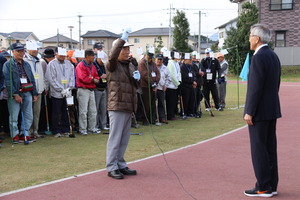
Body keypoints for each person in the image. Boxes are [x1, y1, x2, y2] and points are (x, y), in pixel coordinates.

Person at [243, 24, 281, 198]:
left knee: (259, 149)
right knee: (269, 148)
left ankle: (263, 186)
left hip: (259, 111)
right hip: (271, 108)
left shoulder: (258, 57)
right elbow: (275, 85)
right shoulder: (273, 56)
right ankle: (271, 184)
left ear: (257, 39)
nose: (249, 39)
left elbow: (255, 88)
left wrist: (249, 111)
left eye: (250, 36)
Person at [105, 29, 139, 179]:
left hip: (128, 105)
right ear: (117, 49)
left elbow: (134, 86)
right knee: (115, 137)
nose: (127, 51)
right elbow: (112, 56)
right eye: (124, 48)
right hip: (117, 104)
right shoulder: (112, 64)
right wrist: (121, 40)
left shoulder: (129, 65)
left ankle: (120, 164)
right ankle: (112, 166)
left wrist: (136, 78)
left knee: (124, 138)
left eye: (128, 49)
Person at [3, 42, 38, 143]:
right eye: (18, 51)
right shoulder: (8, 64)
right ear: (13, 52)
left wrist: (34, 93)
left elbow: (31, 78)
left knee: (28, 114)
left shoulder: (26, 64)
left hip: (27, 91)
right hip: (15, 93)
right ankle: (15, 135)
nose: (21, 53)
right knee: (14, 115)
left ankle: (25, 133)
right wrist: (15, 94)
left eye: (22, 51)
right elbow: (8, 81)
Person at [45, 47, 75, 137]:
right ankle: (56, 130)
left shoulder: (69, 63)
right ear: (56, 54)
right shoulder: (52, 64)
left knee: (66, 111)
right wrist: (60, 89)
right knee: (56, 112)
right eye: (60, 54)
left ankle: (65, 129)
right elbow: (51, 79)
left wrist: (69, 88)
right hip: (57, 93)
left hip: (67, 92)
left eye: (64, 54)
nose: (62, 56)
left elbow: (72, 77)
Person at [76, 49, 101, 135]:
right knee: (83, 111)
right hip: (83, 89)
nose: (94, 57)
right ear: (87, 56)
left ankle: (92, 127)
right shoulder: (80, 65)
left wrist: (94, 79)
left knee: (93, 110)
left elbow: (96, 76)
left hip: (91, 90)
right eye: (92, 56)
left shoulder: (92, 66)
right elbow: (82, 78)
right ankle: (83, 129)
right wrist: (93, 79)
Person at [24, 46, 45, 138]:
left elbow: (41, 75)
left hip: (39, 90)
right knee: (28, 113)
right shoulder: (24, 60)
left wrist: (43, 87)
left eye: (37, 49)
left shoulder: (39, 61)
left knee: (37, 112)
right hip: (29, 90)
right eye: (33, 49)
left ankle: (35, 130)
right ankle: (27, 131)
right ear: (28, 49)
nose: (36, 51)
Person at [138, 52, 160, 125]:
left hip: (153, 86)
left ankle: (152, 119)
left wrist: (156, 82)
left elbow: (158, 73)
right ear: (145, 56)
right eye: (149, 57)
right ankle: (145, 120)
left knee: (153, 104)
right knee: (146, 104)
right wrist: (152, 83)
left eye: (151, 57)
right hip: (145, 86)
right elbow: (144, 75)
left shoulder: (153, 64)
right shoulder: (142, 63)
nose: (150, 59)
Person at [93, 43, 109, 131]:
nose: (102, 62)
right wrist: (99, 77)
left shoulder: (103, 65)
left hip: (104, 88)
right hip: (97, 88)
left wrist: (106, 75)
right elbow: (93, 76)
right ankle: (95, 125)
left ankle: (103, 124)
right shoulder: (94, 65)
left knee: (103, 108)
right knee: (96, 108)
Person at [166, 50, 181, 120]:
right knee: (170, 102)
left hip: (176, 85)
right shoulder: (170, 63)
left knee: (174, 101)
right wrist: (177, 83)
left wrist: (179, 82)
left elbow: (179, 73)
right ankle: (170, 115)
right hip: (171, 86)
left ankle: (173, 114)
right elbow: (171, 75)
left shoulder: (177, 63)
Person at [155, 53, 170, 124]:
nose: (159, 61)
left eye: (161, 60)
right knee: (153, 103)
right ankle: (154, 117)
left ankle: (162, 117)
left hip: (162, 88)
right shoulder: (152, 67)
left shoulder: (165, 68)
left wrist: (166, 85)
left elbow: (168, 78)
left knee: (161, 103)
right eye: (158, 59)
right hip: (154, 88)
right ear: (155, 59)